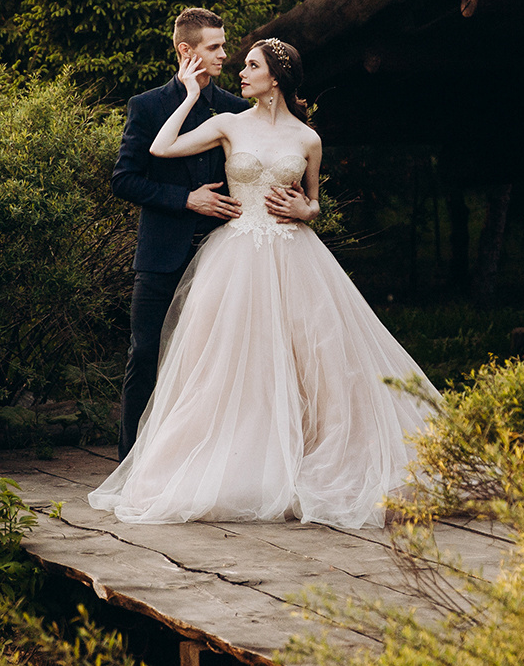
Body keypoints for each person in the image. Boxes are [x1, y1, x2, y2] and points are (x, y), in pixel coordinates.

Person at [89, 39, 440, 529]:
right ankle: (236, 466)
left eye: (251, 65)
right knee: (226, 365)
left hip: (295, 257)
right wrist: (189, 95)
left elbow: (314, 203)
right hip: (236, 258)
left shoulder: (308, 139)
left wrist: (305, 210)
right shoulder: (229, 124)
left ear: (275, 77)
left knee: (316, 362)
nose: (241, 70)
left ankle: (309, 460)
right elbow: (160, 148)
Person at [111, 8, 250, 458]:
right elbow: (124, 179)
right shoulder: (147, 106)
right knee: (145, 355)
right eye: (214, 47)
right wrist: (185, 198)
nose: (224, 55)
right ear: (185, 51)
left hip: (223, 254)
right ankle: (130, 463)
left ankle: (200, 462)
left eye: (224, 45)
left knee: (215, 362)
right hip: (161, 256)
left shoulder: (237, 109)